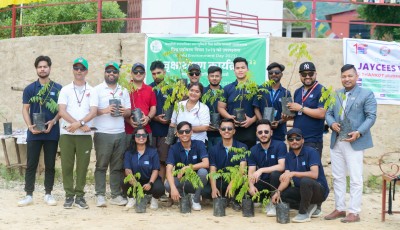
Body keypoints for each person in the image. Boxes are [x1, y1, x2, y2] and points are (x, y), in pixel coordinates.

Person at [324, 64, 377, 223]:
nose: (346, 79)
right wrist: (332, 123)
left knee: (355, 177)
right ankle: (340, 208)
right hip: (337, 141)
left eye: (350, 76)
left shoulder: (366, 94)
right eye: (344, 76)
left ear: (356, 76)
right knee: (338, 176)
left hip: (355, 141)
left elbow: (371, 116)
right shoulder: (336, 94)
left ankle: (354, 212)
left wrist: (359, 132)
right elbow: (328, 113)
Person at [18, 55, 62, 207]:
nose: (42, 69)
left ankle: (48, 194)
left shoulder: (57, 88)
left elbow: (61, 110)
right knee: (31, 164)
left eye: (45, 66)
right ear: (36, 69)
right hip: (34, 132)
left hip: (52, 131)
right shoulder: (30, 89)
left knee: (50, 164)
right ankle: (28, 194)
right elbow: (25, 109)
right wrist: (30, 126)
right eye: (40, 67)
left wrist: (54, 121)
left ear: (50, 68)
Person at [58, 57, 98, 209]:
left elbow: (93, 112)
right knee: (67, 166)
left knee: (82, 167)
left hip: (85, 136)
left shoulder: (92, 90)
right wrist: (77, 124)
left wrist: (79, 124)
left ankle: (80, 196)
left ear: (86, 71)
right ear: (73, 70)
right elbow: (62, 111)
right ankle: (69, 196)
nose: (79, 71)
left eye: (82, 68)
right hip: (67, 134)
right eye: (76, 68)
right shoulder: (65, 89)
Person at [93, 61, 131, 207]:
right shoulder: (97, 90)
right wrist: (105, 110)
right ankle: (100, 195)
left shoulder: (123, 90)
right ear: (104, 73)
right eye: (108, 71)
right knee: (101, 165)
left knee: (116, 166)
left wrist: (124, 111)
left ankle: (115, 195)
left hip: (120, 132)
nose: (111, 74)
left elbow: (129, 110)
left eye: (114, 72)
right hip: (103, 133)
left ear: (117, 74)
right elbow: (92, 111)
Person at [271, 128, 329, 223]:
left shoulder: (311, 152)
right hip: (302, 191)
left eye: (297, 138)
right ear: (288, 141)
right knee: (282, 195)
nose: (294, 141)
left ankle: (303, 213)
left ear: (302, 140)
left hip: (318, 191)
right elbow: (286, 178)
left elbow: (314, 174)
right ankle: (310, 206)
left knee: (305, 180)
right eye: (291, 139)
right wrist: (278, 192)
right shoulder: (289, 156)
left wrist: (293, 173)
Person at [203, 118, 247, 211]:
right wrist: (214, 188)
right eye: (223, 129)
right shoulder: (213, 149)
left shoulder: (242, 147)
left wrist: (232, 183)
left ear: (234, 131)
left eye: (229, 129)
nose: (226, 131)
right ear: (219, 131)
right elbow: (212, 170)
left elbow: (242, 170)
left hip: (236, 179)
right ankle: (224, 197)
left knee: (243, 180)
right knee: (206, 191)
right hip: (221, 180)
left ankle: (236, 200)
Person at [165, 121, 209, 211]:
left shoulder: (199, 144)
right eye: (181, 132)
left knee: (203, 172)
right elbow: (168, 170)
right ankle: (183, 198)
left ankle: (195, 200)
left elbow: (206, 163)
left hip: (197, 182)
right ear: (177, 134)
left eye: (187, 131)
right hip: (182, 181)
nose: (184, 134)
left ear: (191, 132)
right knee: (168, 185)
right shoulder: (174, 148)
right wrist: (173, 188)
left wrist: (186, 167)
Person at [248, 119, 287, 216]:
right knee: (246, 189)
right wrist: (251, 186)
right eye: (260, 132)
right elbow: (251, 171)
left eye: (266, 132)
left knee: (275, 174)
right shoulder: (253, 150)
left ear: (271, 133)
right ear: (257, 134)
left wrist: (261, 170)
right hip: (264, 182)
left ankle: (274, 204)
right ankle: (264, 201)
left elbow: (281, 166)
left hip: (278, 183)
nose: (263, 134)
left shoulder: (280, 145)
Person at [287, 62, 326, 157]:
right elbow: (297, 115)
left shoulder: (322, 90)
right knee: (293, 169)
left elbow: (321, 113)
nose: (307, 76)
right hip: (295, 139)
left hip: (312, 141)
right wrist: (286, 116)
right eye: (304, 74)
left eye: (311, 74)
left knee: (312, 170)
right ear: (300, 75)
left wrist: (301, 108)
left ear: (315, 74)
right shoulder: (297, 91)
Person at [218, 57, 257, 148]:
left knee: (249, 159)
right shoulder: (227, 88)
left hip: (250, 131)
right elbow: (220, 107)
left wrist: (251, 120)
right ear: (234, 70)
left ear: (247, 70)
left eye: (243, 68)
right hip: (231, 132)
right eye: (237, 68)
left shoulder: (255, 88)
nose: (240, 70)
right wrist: (230, 118)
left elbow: (259, 110)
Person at [123, 126, 165, 210]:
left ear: (147, 137)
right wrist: (133, 180)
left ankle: (154, 199)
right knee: (124, 181)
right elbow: (127, 169)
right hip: (135, 181)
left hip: (149, 180)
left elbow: (155, 170)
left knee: (159, 188)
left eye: (144, 135)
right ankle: (132, 198)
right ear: (134, 137)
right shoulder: (129, 152)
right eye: (138, 135)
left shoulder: (153, 151)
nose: (141, 137)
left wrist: (150, 183)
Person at [254, 62, 291, 141]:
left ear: (281, 74)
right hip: (262, 133)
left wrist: (279, 122)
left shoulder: (286, 92)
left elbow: (288, 114)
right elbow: (256, 108)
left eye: (277, 72)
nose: (274, 74)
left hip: (279, 133)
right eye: (271, 73)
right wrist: (263, 123)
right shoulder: (261, 90)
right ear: (268, 75)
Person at [125, 62, 156, 147]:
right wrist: (128, 120)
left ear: (145, 74)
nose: (138, 73)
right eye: (136, 71)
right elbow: (121, 109)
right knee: (129, 155)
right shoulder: (125, 89)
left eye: (141, 72)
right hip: (128, 131)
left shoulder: (150, 89)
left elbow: (153, 107)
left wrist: (148, 118)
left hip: (146, 130)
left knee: (147, 156)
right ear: (131, 73)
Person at [149, 60, 170, 182]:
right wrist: (155, 117)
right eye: (153, 73)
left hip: (166, 132)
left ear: (164, 72)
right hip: (150, 131)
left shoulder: (172, 89)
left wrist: (170, 119)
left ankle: (160, 188)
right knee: (150, 160)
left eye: (159, 73)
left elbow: (178, 109)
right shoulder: (149, 88)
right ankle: (150, 189)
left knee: (163, 161)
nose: (156, 76)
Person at [203, 66, 223, 149]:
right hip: (205, 132)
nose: (214, 78)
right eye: (212, 76)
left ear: (221, 77)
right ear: (208, 77)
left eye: (217, 76)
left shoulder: (225, 91)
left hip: (221, 133)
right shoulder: (202, 92)